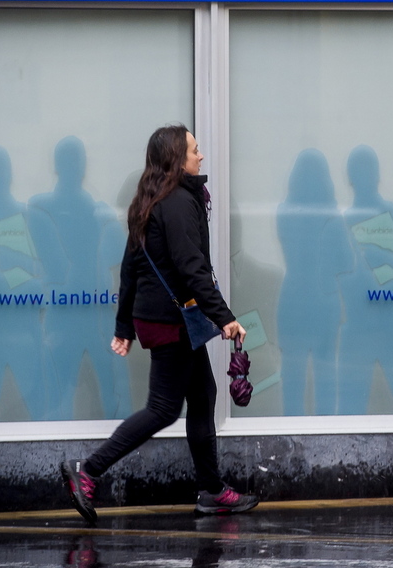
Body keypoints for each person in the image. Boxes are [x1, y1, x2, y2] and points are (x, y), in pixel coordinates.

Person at [60, 124, 258, 522]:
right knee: (164, 409)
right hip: (172, 321)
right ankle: (88, 472)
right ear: (176, 159)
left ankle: (211, 490)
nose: (201, 157)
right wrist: (225, 318)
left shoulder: (150, 200)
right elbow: (192, 268)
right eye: (195, 150)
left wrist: (124, 326)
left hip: (161, 318)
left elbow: (131, 268)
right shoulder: (179, 203)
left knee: (202, 394)